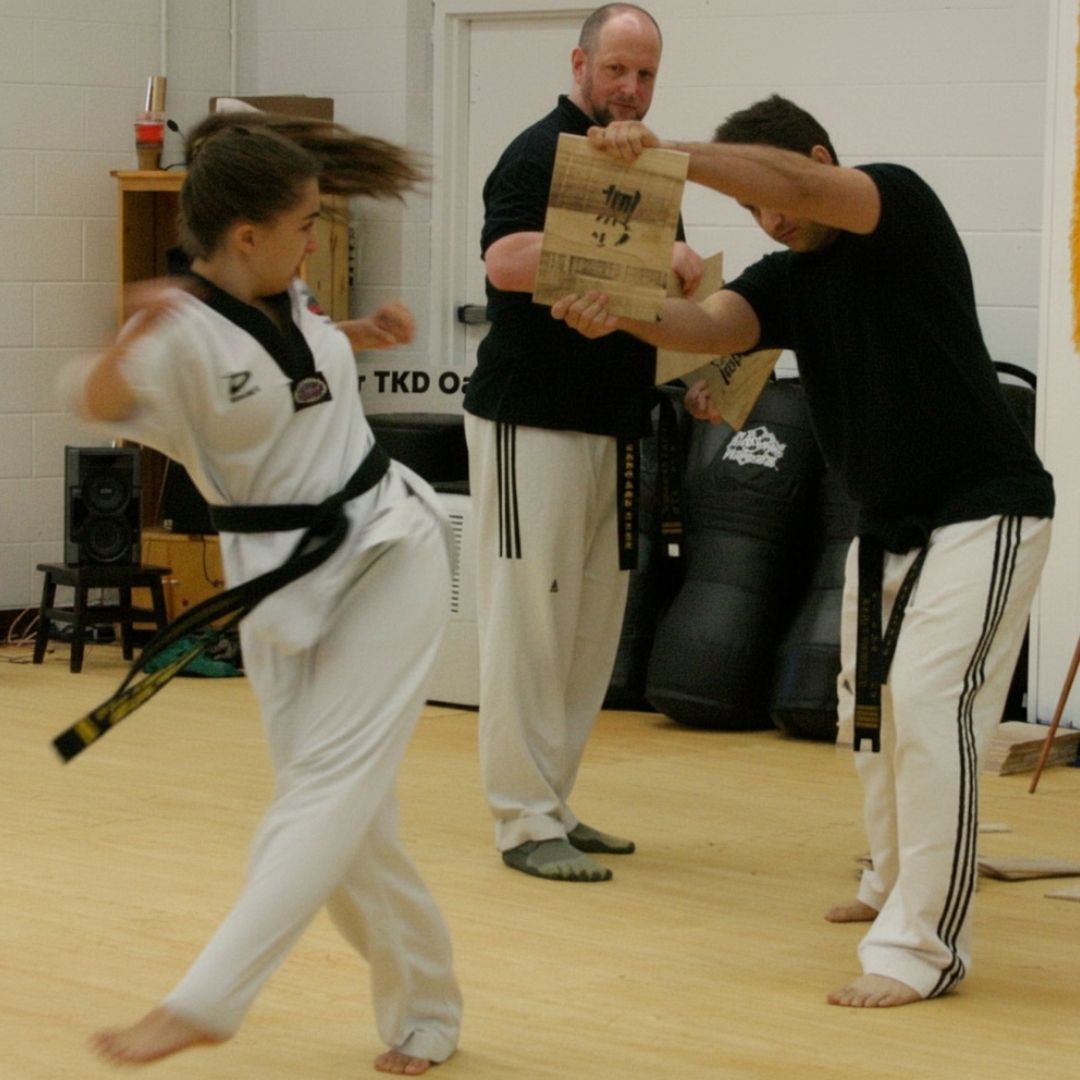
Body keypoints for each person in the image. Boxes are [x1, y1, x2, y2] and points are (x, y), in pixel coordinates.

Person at [552, 95, 1055, 1002]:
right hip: (886, 523)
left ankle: (925, 949)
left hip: (986, 512)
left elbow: (791, 181)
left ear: (819, 160)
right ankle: (894, 882)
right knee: (870, 720)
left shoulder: (894, 204)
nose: (770, 218)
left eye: (772, 199)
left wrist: (667, 154)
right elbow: (705, 330)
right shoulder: (786, 276)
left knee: (936, 713)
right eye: (752, 213)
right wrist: (620, 311)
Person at [62, 111, 462, 1075]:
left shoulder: (289, 296)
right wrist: (131, 336)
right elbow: (97, 401)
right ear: (247, 237)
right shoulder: (179, 334)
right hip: (283, 592)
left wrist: (362, 333)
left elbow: (300, 371)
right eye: (305, 222)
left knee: (326, 792)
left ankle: (204, 998)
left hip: (391, 548)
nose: (315, 236)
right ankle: (428, 1012)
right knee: (344, 822)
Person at [463, 3, 704, 884]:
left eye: (645, 75)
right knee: (528, 621)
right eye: (617, 71)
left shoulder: (650, 168)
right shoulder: (540, 151)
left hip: (615, 421)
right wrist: (632, 263)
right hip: (530, 418)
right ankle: (521, 820)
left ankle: (554, 803)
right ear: (581, 64)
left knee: (589, 627)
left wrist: (699, 366)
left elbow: (668, 285)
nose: (631, 90)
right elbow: (507, 262)